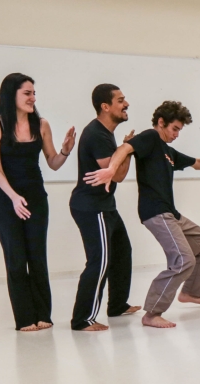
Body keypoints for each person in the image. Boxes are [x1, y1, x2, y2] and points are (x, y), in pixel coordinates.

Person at [85, 101, 200, 328]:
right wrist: (111, 170)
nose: (177, 134)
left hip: (171, 213)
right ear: (161, 123)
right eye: (175, 129)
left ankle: (189, 292)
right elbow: (125, 148)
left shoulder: (167, 151)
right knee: (183, 260)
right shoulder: (150, 137)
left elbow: (198, 163)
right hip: (155, 212)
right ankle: (152, 313)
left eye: (180, 130)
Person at [0, 73, 75, 331]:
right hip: (6, 200)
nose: (33, 98)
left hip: (35, 198)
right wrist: (13, 197)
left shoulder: (41, 124)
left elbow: (53, 163)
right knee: (15, 258)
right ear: (11, 94)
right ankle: (24, 319)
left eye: (34, 93)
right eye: (27, 93)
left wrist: (66, 150)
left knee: (37, 257)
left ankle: (43, 314)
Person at [68, 84, 141, 331]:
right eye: (121, 100)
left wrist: (124, 149)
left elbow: (116, 169)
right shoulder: (97, 134)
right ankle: (82, 319)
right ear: (105, 106)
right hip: (91, 206)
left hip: (104, 204)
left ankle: (117, 304)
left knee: (122, 251)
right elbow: (116, 175)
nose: (126, 104)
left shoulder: (105, 133)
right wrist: (127, 149)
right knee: (99, 261)